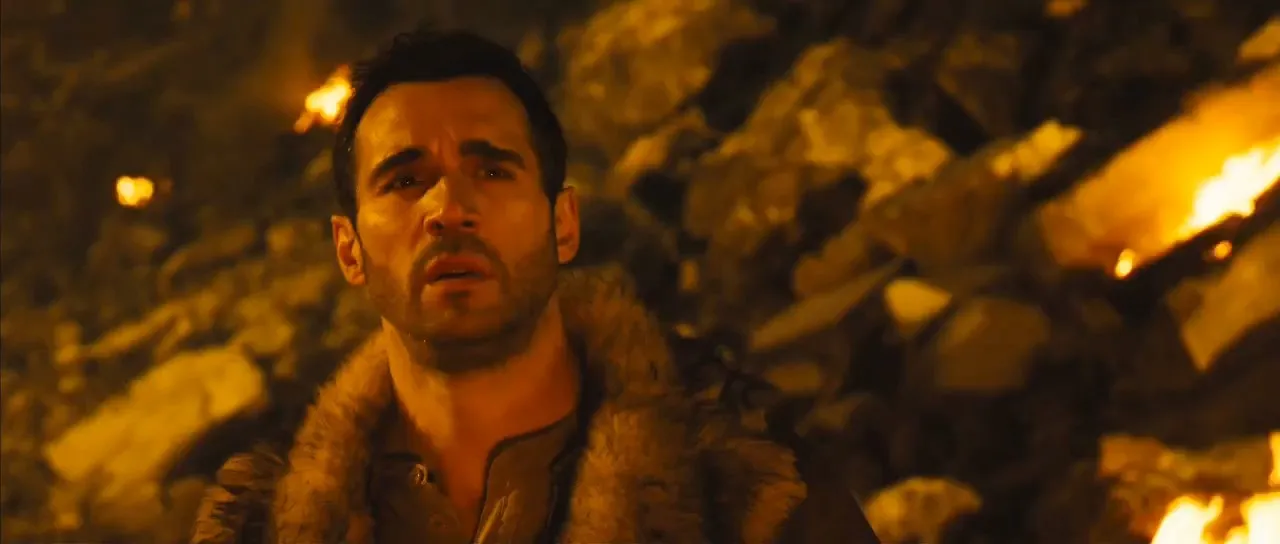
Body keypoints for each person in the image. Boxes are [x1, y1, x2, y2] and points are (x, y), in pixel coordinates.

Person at [191, 27, 880, 544]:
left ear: (563, 223)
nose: (447, 207)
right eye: (405, 180)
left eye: (492, 171)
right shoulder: (261, 521)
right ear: (349, 249)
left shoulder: (746, 484)